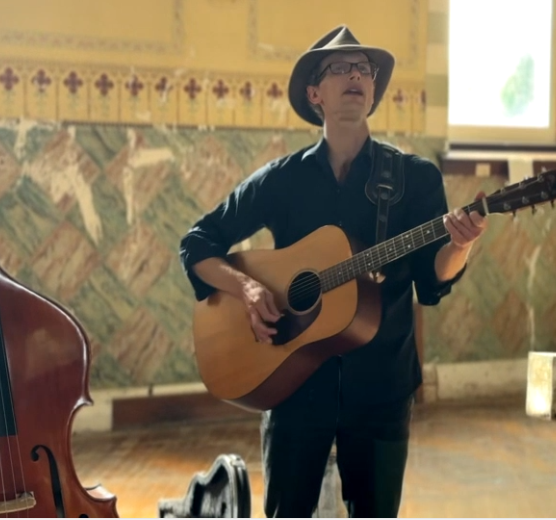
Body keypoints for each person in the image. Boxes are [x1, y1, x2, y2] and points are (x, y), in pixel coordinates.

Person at [179, 26, 488, 517]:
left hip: (381, 385)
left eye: (364, 68)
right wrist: (248, 287)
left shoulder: (414, 178)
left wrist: (460, 245)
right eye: (340, 68)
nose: (356, 75)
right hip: (292, 381)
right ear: (314, 93)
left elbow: (433, 284)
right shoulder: (282, 180)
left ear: (373, 89)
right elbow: (197, 242)